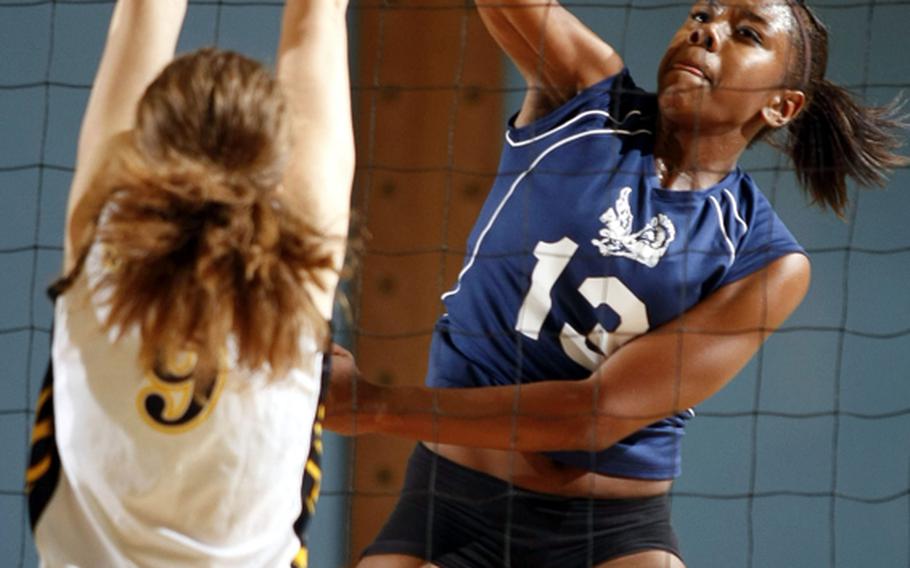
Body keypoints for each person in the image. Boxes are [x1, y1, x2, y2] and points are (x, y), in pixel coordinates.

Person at [326, 0, 907, 566]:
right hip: (452, 508)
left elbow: (593, 415)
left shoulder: (765, 260)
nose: (706, 32)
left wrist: (372, 407)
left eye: (747, 34)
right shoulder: (587, 100)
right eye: (701, 15)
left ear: (782, 105)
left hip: (608, 535)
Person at [24, 0, 354, 566]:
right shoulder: (299, 275)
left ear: (143, 153)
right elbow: (316, 22)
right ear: (275, 163)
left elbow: (143, 14)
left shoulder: (103, 251)